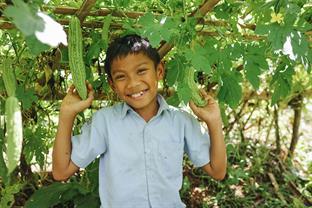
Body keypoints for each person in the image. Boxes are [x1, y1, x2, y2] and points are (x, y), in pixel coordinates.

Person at [52, 34, 227, 208]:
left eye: (141, 71)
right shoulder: (104, 121)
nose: (133, 83)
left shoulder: (181, 121)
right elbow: (61, 172)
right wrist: (66, 115)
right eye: (121, 77)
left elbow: (217, 171)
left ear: (159, 71)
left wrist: (214, 122)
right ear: (112, 85)